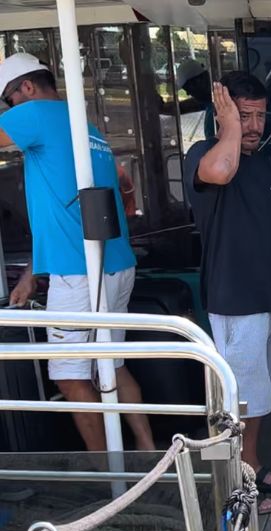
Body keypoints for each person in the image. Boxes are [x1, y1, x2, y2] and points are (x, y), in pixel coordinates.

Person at [0, 52, 155, 453]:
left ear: (27, 88)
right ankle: (147, 451)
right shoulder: (82, 124)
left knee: (69, 375)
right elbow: (67, 208)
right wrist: (32, 271)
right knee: (112, 363)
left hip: (80, 271)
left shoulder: (34, 114)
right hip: (114, 263)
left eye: (8, 102)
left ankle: (108, 475)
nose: (9, 112)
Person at [183, 72, 271, 515]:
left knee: (259, 395)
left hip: (267, 297)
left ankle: (250, 464)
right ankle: (234, 485)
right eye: (243, 115)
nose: (254, 125)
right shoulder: (205, 155)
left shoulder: (260, 163)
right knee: (235, 399)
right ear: (223, 114)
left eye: (259, 115)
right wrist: (228, 125)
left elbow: (269, 231)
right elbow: (220, 170)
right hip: (235, 299)